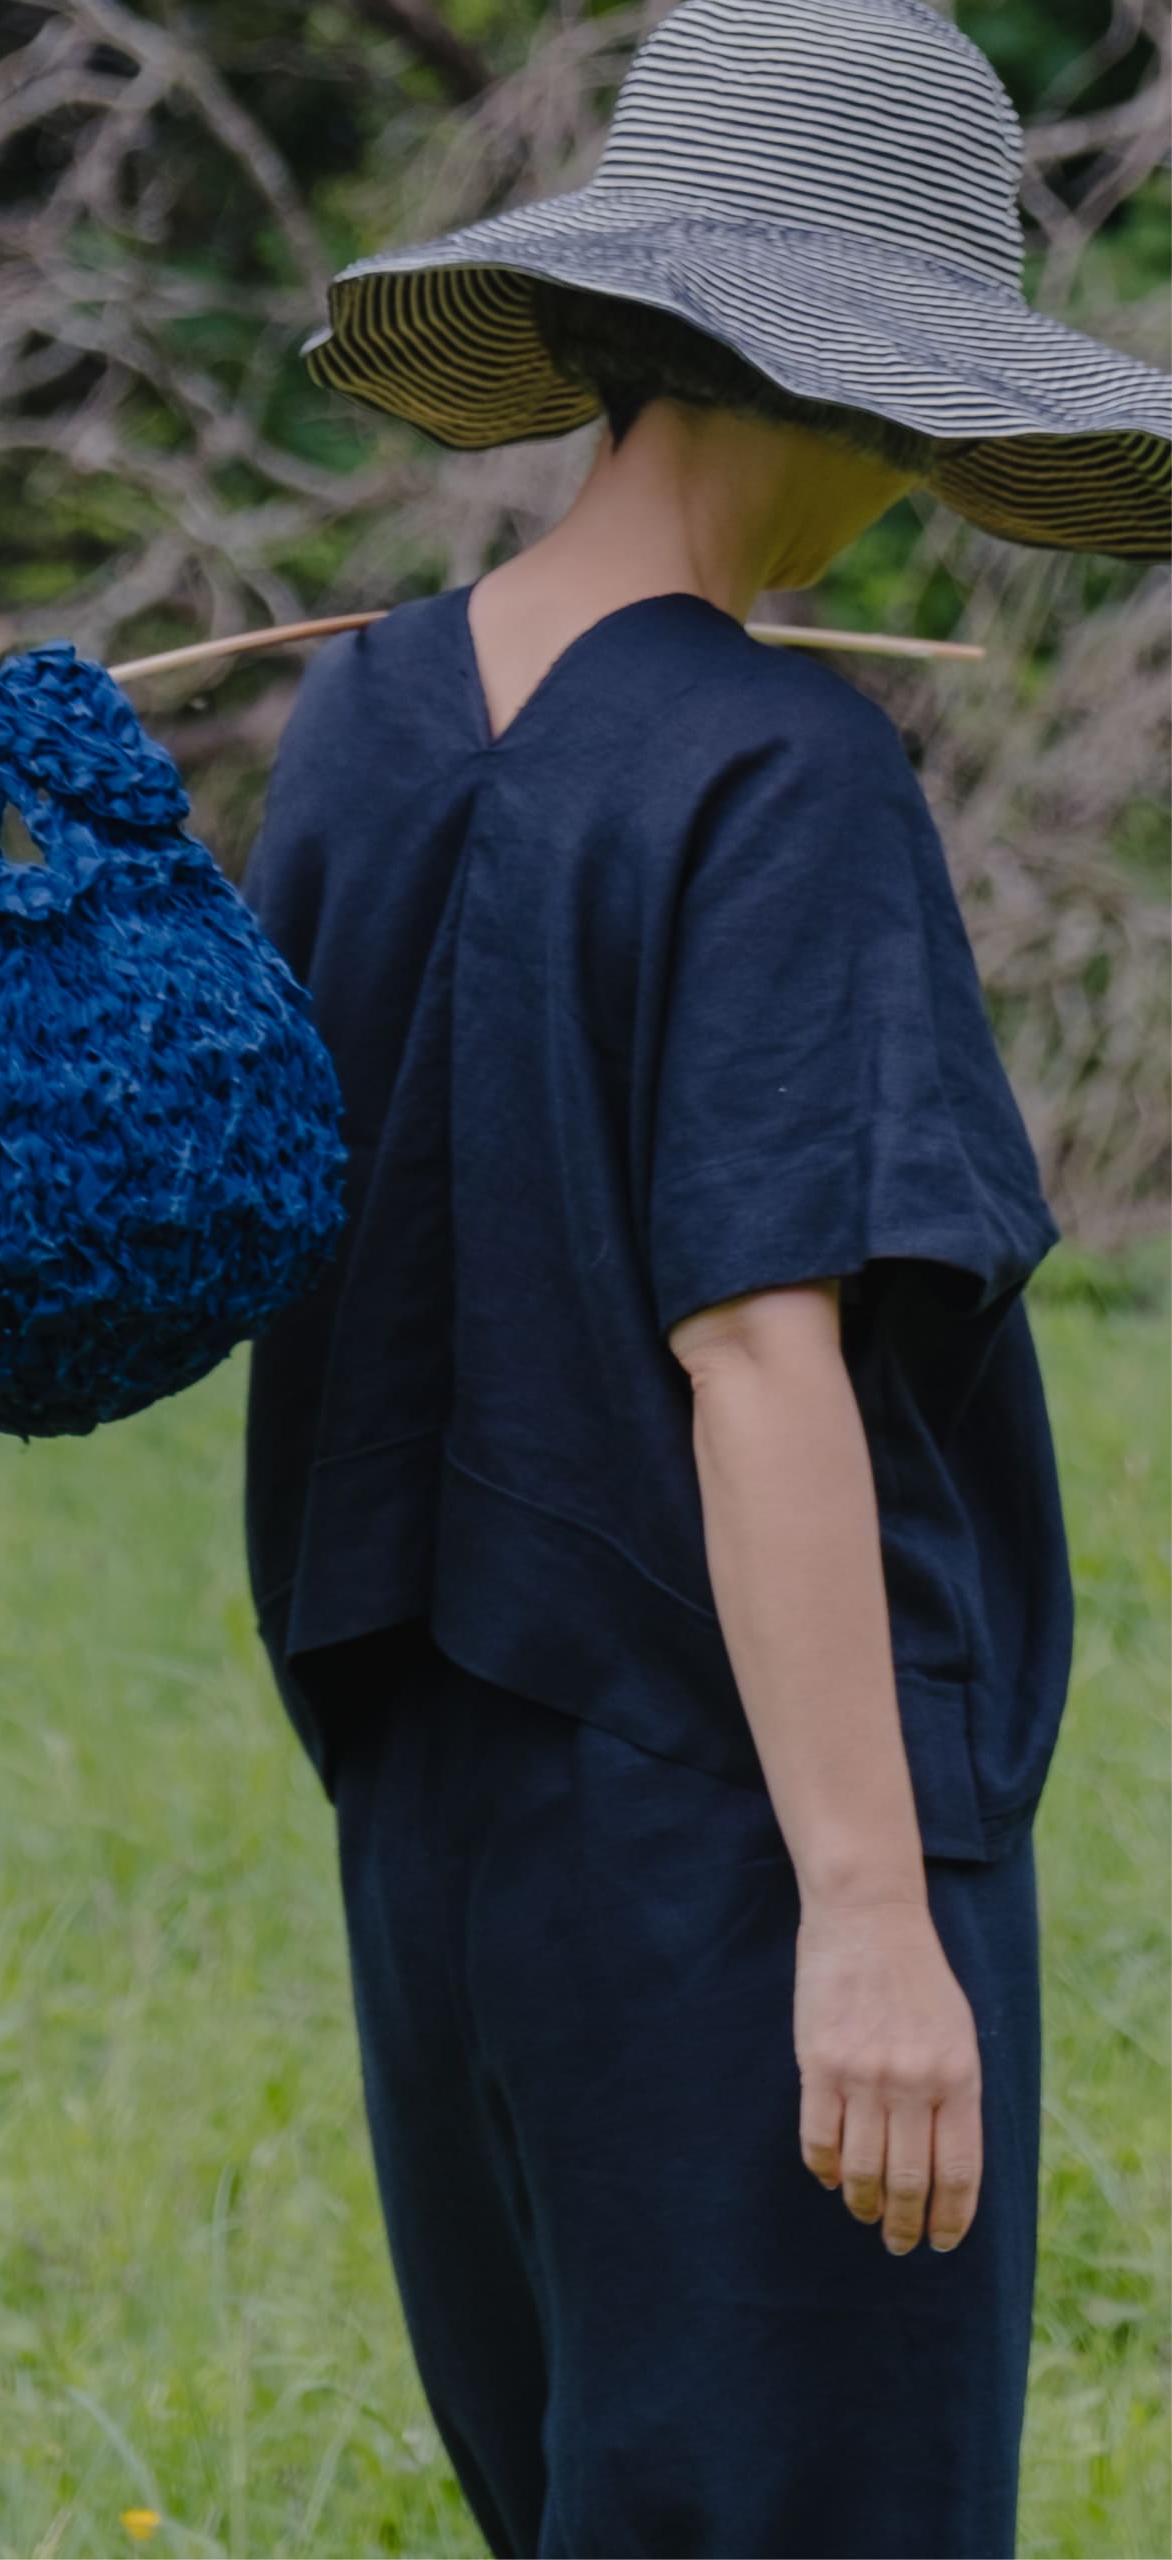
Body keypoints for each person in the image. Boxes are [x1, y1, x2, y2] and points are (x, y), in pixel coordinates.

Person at [236, 2, 1171, 2556]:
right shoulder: (783, 773)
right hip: (747, 1838)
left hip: (437, 1832)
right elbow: (755, 1347)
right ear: (855, 389)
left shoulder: (360, 734)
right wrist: (867, 1918)